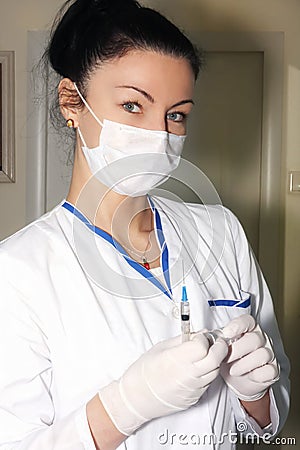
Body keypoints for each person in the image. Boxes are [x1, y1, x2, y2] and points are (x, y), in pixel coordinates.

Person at [0, 0, 290, 449]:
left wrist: (256, 395)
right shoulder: (18, 272)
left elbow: (270, 416)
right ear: (71, 102)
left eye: (176, 114)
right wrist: (127, 404)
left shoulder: (221, 232)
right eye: (133, 105)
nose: (159, 134)